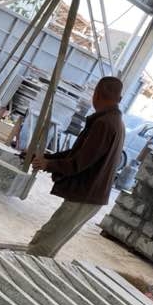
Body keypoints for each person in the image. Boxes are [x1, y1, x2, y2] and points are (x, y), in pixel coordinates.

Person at [26, 76, 126, 258]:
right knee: (50, 240)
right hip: (91, 196)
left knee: (44, 244)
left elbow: (79, 162)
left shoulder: (104, 124)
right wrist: (47, 158)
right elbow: (79, 153)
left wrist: (49, 164)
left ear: (96, 95)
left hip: (86, 196)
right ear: (119, 99)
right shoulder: (114, 121)